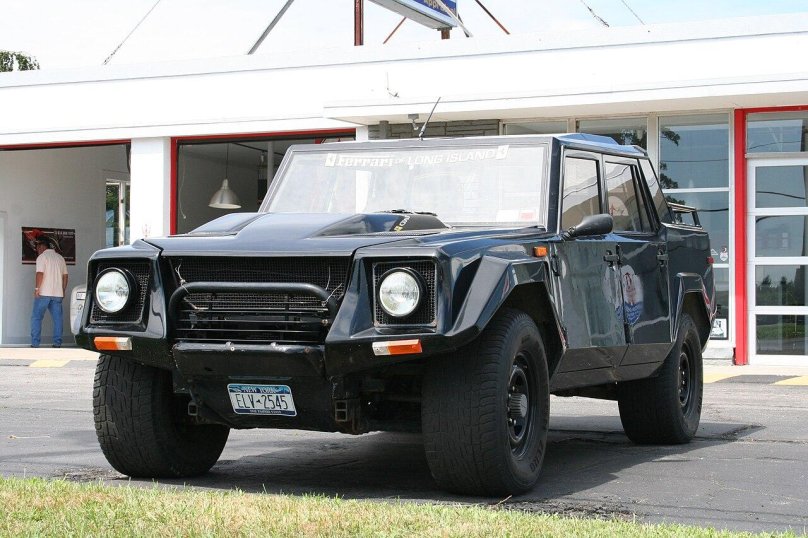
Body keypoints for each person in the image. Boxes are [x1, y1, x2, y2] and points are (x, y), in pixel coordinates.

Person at [30, 237, 68, 348]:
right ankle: (57, 343)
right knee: (57, 319)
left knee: (36, 317)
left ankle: (35, 343)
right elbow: (65, 276)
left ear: (41, 247)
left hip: (43, 293)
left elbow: (40, 273)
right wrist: (63, 290)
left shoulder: (42, 257)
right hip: (57, 294)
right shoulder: (60, 258)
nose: (37, 250)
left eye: (37, 248)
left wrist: (37, 289)